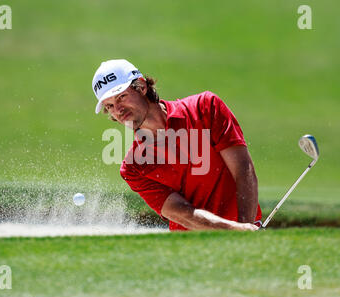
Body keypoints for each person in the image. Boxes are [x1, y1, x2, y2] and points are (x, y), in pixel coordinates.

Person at [92, 59, 261, 231]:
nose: (118, 110)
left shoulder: (205, 108)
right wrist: (235, 230)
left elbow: (243, 169)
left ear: (142, 87)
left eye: (122, 97)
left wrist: (245, 227)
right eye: (110, 106)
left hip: (244, 232)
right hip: (191, 251)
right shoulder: (134, 168)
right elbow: (183, 214)